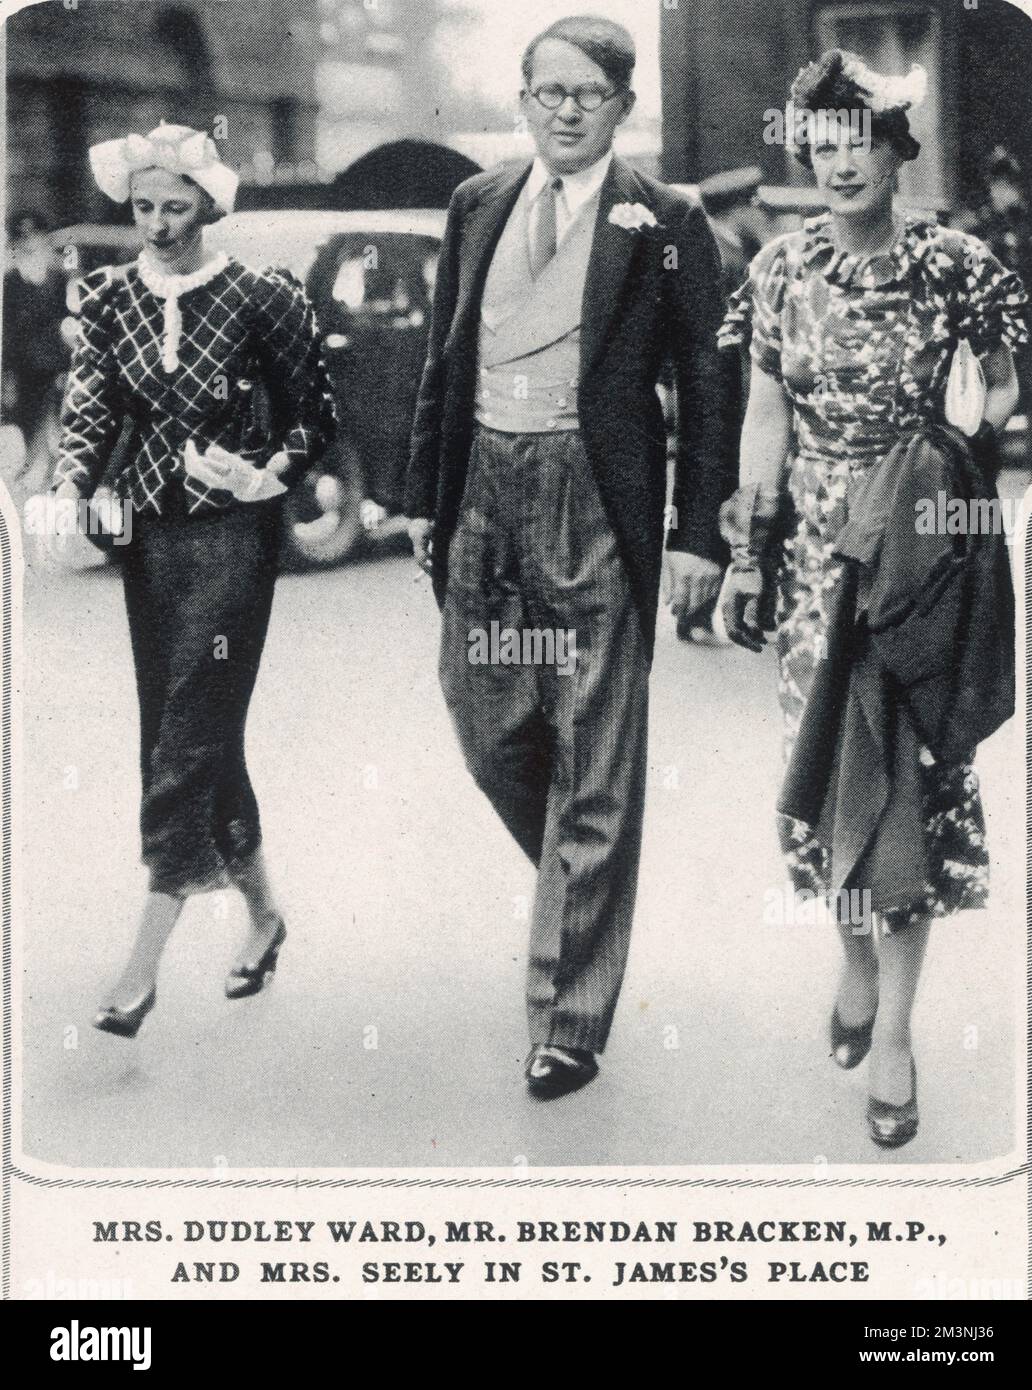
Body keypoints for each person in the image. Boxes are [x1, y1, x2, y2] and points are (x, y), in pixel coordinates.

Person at [406, 15, 739, 1098]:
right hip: (483, 493)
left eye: (584, 94)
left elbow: (709, 382)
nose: (561, 109)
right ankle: (579, 878)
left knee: (597, 752)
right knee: (486, 720)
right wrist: (424, 497)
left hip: (597, 496)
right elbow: (442, 359)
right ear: (523, 98)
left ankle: (570, 1017)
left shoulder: (669, 220)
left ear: (622, 107)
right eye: (544, 90)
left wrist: (699, 536)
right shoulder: (478, 202)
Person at [718, 52, 1026, 1147]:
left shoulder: (960, 267)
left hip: (921, 559)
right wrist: (749, 545)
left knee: (912, 790)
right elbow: (763, 409)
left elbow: (1003, 388)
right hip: (813, 565)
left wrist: (956, 442)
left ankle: (894, 1030)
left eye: (863, 140)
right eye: (823, 142)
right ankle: (852, 964)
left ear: (900, 150)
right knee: (824, 784)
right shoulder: (779, 272)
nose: (842, 160)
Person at [50, 124, 336, 1037]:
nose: (159, 225)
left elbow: (313, 416)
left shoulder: (261, 298)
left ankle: (142, 963)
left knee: (187, 735)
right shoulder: (106, 299)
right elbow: (90, 407)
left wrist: (270, 473)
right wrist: (70, 489)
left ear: (211, 207)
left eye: (177, 208)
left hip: (235, 542)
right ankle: (263, 915)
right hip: (153, 544)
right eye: (144, 209)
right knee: (185, 735)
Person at [2, 210, 70, 489]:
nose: (30, 245)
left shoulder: (57, 279)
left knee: (50, 417)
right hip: (22, 364)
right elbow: (7, 329)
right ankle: (31, 464)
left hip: (53, 361)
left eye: (36, 240)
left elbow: (65, 318)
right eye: (23, 242)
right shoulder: (11, 282)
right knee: (25, 416)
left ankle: (44, 468)